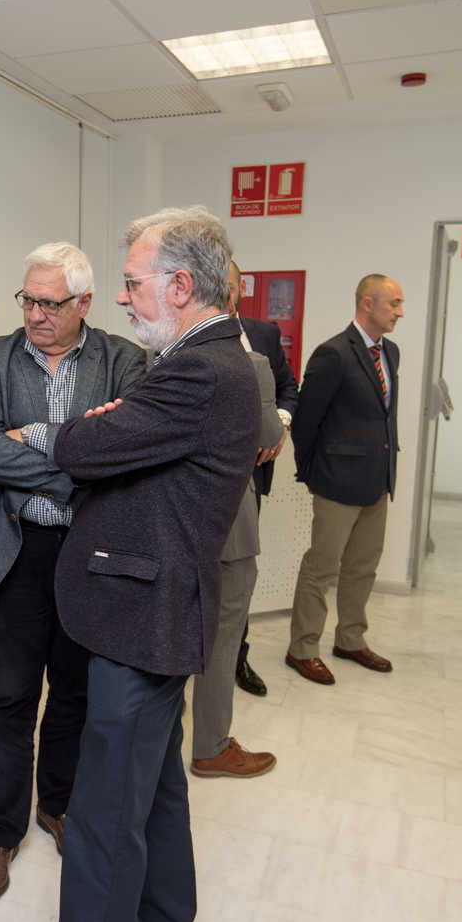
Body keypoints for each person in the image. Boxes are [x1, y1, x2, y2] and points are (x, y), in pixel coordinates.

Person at [52, 206, 259, 922]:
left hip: (144, 620)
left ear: (179, 286)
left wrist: (93, 429)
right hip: (157, 615)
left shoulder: (199, 369)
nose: (119, 297)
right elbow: (110, 446)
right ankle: (167, 918)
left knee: (104, 819)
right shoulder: (201, 360)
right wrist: (109, 428)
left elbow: (77, 449)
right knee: (156, 794)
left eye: (132, 282)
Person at [0, 241, 145, 901]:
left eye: (50, 303)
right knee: (8, 695)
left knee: (73, 691)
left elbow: (125, 450)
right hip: (14, 550)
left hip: (87, 554)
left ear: (84, 303)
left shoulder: (124, 361)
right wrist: (75, 467)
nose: (35, 315)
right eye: (28, 301)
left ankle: (57, 804)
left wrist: (35, 436)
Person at [285, 274, 404, 685]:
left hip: (377, 479)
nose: (400, 312)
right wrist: (312, 472)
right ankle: (302, 648)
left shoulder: (391, 353)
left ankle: (350, 639)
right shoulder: (333, 353)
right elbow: (306, 421)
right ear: (367, 303)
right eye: (394, 303)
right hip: (336, 481)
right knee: (321, 568)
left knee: (363, 566)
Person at [190, 305, 283, 778]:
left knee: (170, 633)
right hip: (229, 526)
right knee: (223, 637)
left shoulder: (153, 359)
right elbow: (269, 434)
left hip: (171, 523)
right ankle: (211, 747)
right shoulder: (252, 364)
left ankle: (164, 740)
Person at [225, 259, 299, 697]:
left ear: (242, 289)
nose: (226, 295)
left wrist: (281, 423)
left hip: (252, 477)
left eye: (232, 287)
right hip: (200, 482)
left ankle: (238, 658)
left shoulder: (264, 335)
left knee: (241, 575)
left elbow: (289, 387)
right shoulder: (179, 338)